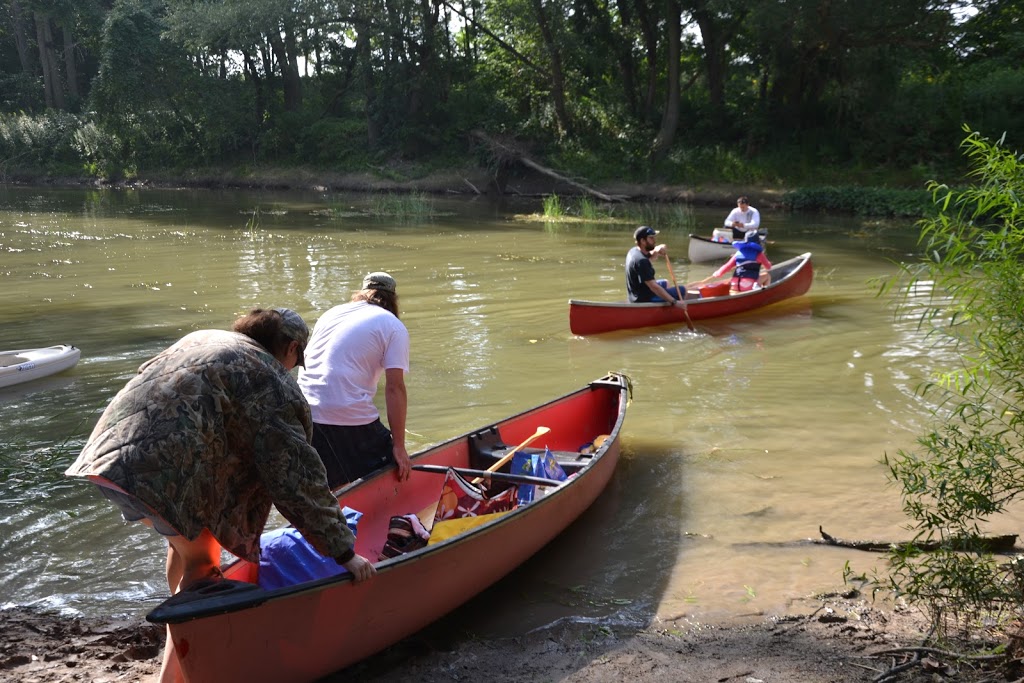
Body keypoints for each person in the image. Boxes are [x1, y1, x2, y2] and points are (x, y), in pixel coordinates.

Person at [65, 307, 376, 682]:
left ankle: (178, 617)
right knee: (204, 565)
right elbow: (296, 479)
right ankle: (174, 674)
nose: (294, 368)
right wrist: (344, 552)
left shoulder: (205, 339)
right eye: (297, 359)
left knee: (184, 545)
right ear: (291, 348)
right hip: (156, 474)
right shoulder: (268, 379)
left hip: (108, 458)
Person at [299, 272, 412, 489]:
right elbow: (395, 388)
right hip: (344, 413)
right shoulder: (393, 325)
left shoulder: (332, 313)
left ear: (361, 294)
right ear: (392, 300)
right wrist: (399, 446)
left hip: (303, 411)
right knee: (392, 463)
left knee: (329, 483)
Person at [625, 226, 688, 306]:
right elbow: (654, 287)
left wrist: (656, 250)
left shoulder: (634, 250)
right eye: (651, 238)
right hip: (644, 298)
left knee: (666, 282)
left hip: (637, 292)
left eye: (654, 237)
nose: (655, 241)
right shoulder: (641, 261)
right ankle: (681, 310)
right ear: (643, 241)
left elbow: (648, 258)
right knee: (683, 290)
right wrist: (675, 302)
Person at [708, 230, 773, 294]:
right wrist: (768, 263)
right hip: (748, 285)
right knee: (767, 275)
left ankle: (752, 287)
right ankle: (764, 293)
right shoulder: (759, 254)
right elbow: (768, 267)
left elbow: (727, 266)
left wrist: (717, 273)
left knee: (736, 277)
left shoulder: (738, 254)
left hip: (734, 285)